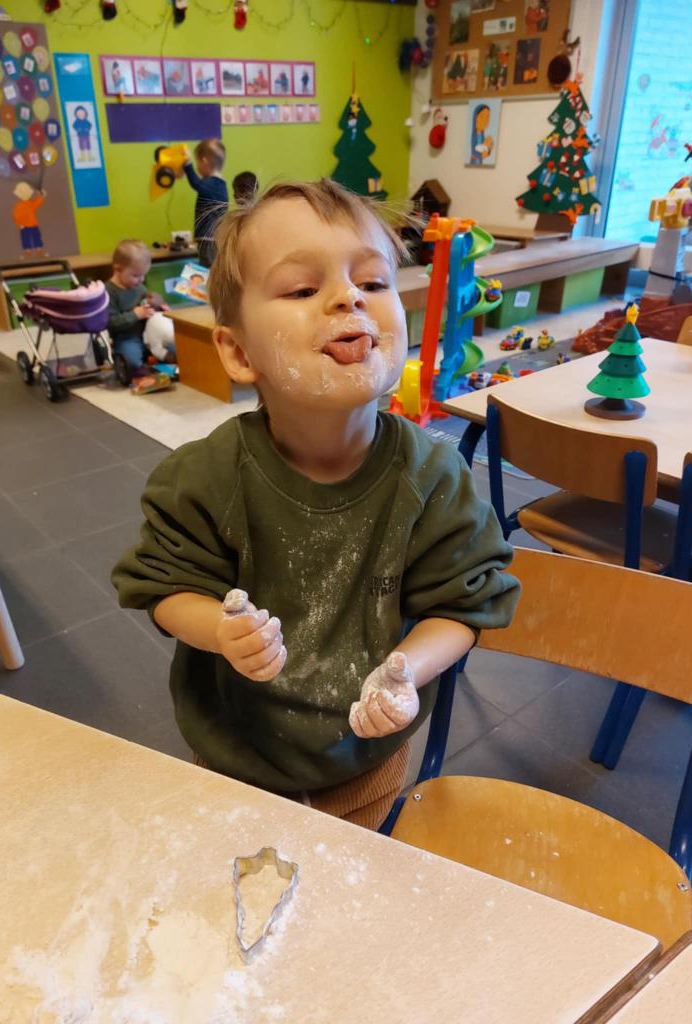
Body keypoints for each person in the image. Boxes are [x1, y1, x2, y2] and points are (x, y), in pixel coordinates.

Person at [112, 179, 519, 830]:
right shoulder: (202, 478)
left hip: (367, 758)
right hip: (235, 755)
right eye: (303, 289)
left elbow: (464, 606)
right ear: (239, 351)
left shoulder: (435, 477)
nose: (349, 297)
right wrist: (219, 630)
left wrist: (406, 671)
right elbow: (162, 588)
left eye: (373, 282)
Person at [105, 239, 173, 373]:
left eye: (143, 275)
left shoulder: (139, 286)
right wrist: (135, 315)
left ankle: (153, 359)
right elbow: (110, 322)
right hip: (127, 337)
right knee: (132, 362)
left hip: (149, 333)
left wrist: (160, 308)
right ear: (118, 270)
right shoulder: (108, 291)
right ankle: (143, 361)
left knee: (176, 346)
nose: (141, 280)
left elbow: (148, 304)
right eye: (136, 275)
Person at [183, 138, 228, 267]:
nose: (197, 168)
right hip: (213, 237)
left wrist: (187, 164)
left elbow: (196, 183)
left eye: (197, 163)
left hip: (208, 238)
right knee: (210, 266)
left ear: (204, 161)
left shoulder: (213, 184)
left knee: (207, 267)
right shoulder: (220, 184)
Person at [12, 181, 46, 259]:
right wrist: (20, 224)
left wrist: (41, 195)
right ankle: (32, 251)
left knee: (32, 238)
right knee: (30, 238)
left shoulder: (25, 205)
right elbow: (16, 216)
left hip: (30, 226)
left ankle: (35, 251)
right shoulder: (25, 205)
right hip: (28, 226)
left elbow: (16, 216)